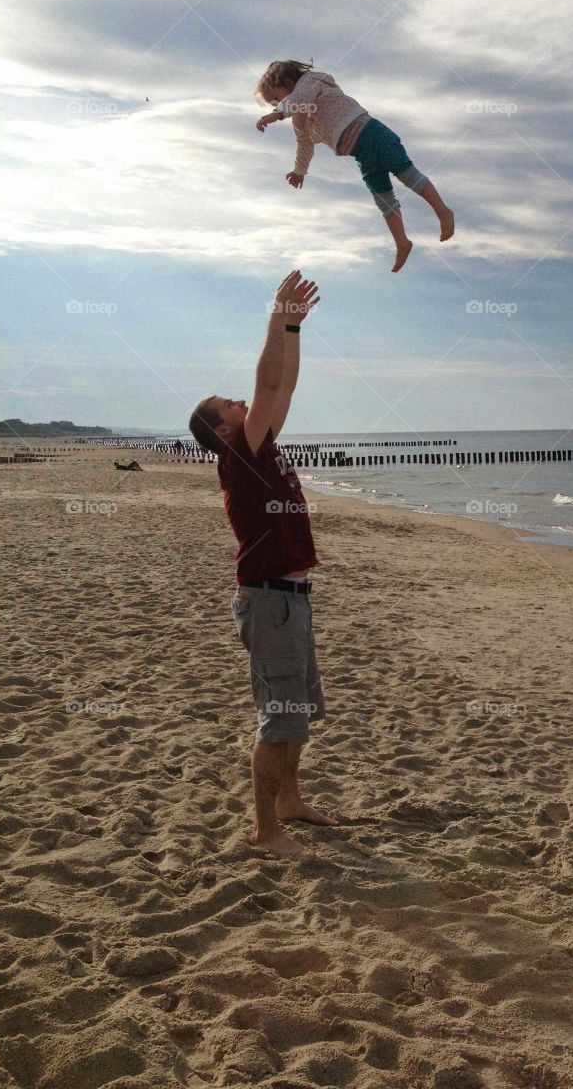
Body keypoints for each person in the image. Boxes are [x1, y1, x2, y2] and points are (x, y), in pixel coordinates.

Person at [188, 271, 337, 857]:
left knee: (298, 712)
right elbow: (268, 381)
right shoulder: (238, 456)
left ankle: (289, 803)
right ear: (222, 429)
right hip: (269, 601)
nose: (241, 400)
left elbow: (283, 387)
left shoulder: (259, 448)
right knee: (280, 718)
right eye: (228, 403)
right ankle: (265, 832)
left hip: (290, 599)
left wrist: (293, 327)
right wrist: (275, 314)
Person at [254, 59, 455, 273]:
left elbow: (300, 97)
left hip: (374, 135)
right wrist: (299, 171)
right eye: (273, 104)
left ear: (286, 81)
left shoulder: (311, 81)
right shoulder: (299, 117)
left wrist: (276, 114)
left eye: (275, 98)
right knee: (383, 199)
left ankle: (442, 211)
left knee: (407, 174)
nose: (276, 105)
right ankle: (402, 242)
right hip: (361, 155)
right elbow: (304, 143)